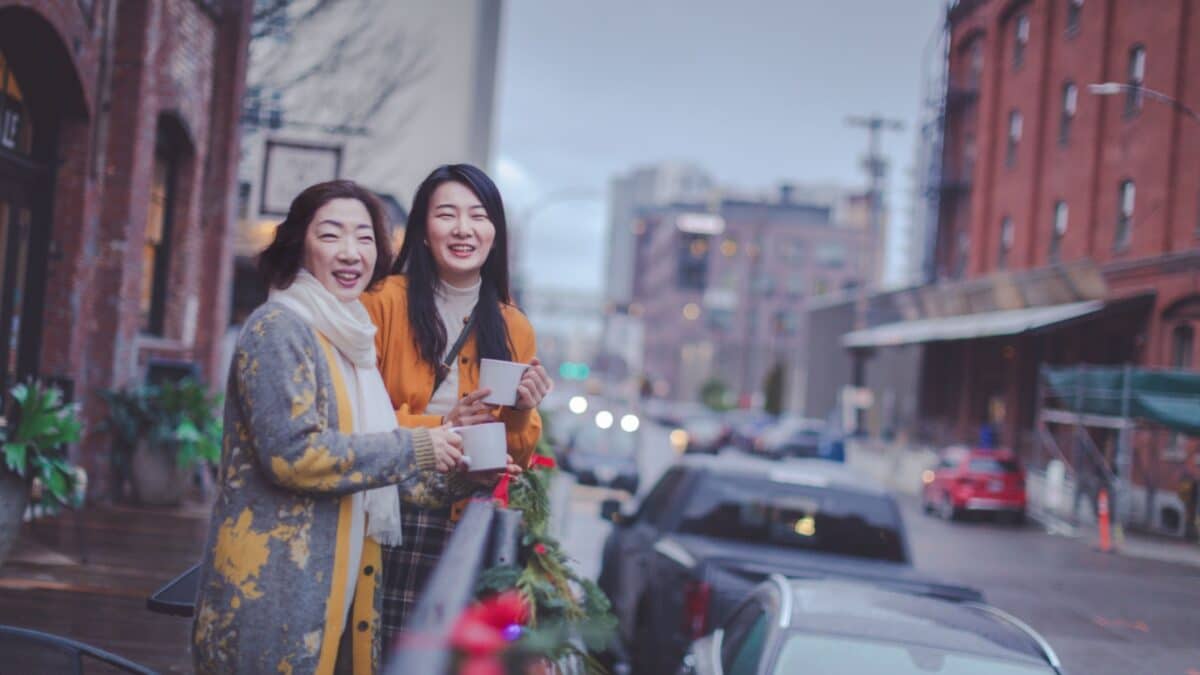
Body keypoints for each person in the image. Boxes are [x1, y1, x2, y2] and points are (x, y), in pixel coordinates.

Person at [192, 180, 470, 674]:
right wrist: (419, 447)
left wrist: (461, 462)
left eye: (364, 238)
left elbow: (362, 460)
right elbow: (295, 456)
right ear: (299, 244)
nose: (350, 253)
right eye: (331, 235)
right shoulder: (279, 327)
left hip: (337, 593)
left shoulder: (350, 340)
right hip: (273, 598)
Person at [361, 164, 553, 642]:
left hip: (462, 520)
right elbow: (355, 417)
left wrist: (524, 411)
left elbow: (519, 454)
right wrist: (440, 424)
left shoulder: (513, 325)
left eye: (479, 216)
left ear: (495, 234)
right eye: (447, 214)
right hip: (386, 511)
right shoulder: (382, 301)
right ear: (424, 231)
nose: (464, 228)